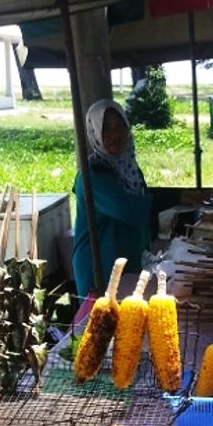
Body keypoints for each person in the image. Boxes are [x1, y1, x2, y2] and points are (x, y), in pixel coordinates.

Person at [71, 99, 152, 300]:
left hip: (127, 259)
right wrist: (177, 201)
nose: (114, 135)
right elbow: (127, 209)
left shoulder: (128, 167)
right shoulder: (93, 176)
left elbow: (142, 196)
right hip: (99, 266)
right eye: (105, 130)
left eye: (119, 127)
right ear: (95, 134)